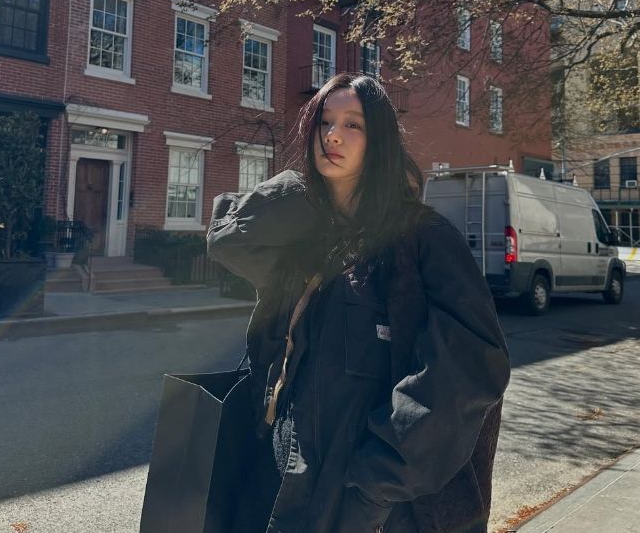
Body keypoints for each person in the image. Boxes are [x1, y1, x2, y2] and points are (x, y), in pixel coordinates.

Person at [206, 73, 510, 533]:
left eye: (353, 124)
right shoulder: (307, 239)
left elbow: (468, 371)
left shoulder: (422, 240)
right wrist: (301, 189)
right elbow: (226, 240)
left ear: (379, 140)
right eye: (324, 122)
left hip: (373, 506)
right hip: (283, 483)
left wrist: (375, 488)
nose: (332, 135)